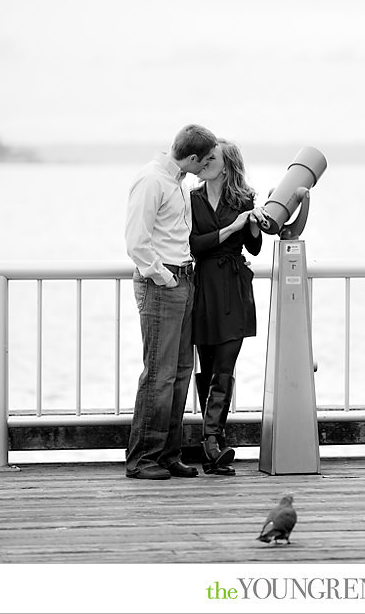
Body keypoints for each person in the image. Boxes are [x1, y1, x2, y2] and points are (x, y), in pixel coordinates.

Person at [123, 124, 218, 480]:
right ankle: (142, 459)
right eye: (206, 160)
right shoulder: (152, 181)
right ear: (192, 158)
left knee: (178, 374)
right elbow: (137, 241)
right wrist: (164, 276)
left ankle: (167, 454)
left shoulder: (176, 181)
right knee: (159, 376)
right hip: (163, 283)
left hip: (182, 280)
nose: (207, 165)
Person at [190, 139, 265, 475]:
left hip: (233, 288)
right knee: (206, 365)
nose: (205, 161)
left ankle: (210, 442)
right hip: (204, 286)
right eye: (204, 157)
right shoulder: (191, 198)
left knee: (225, 364)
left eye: (212, 157)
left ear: (227, 164)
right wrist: (232, 227)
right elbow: (195, 246)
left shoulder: (244, 198)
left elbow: (255, 247)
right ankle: (213, 444)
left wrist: (251, 223)